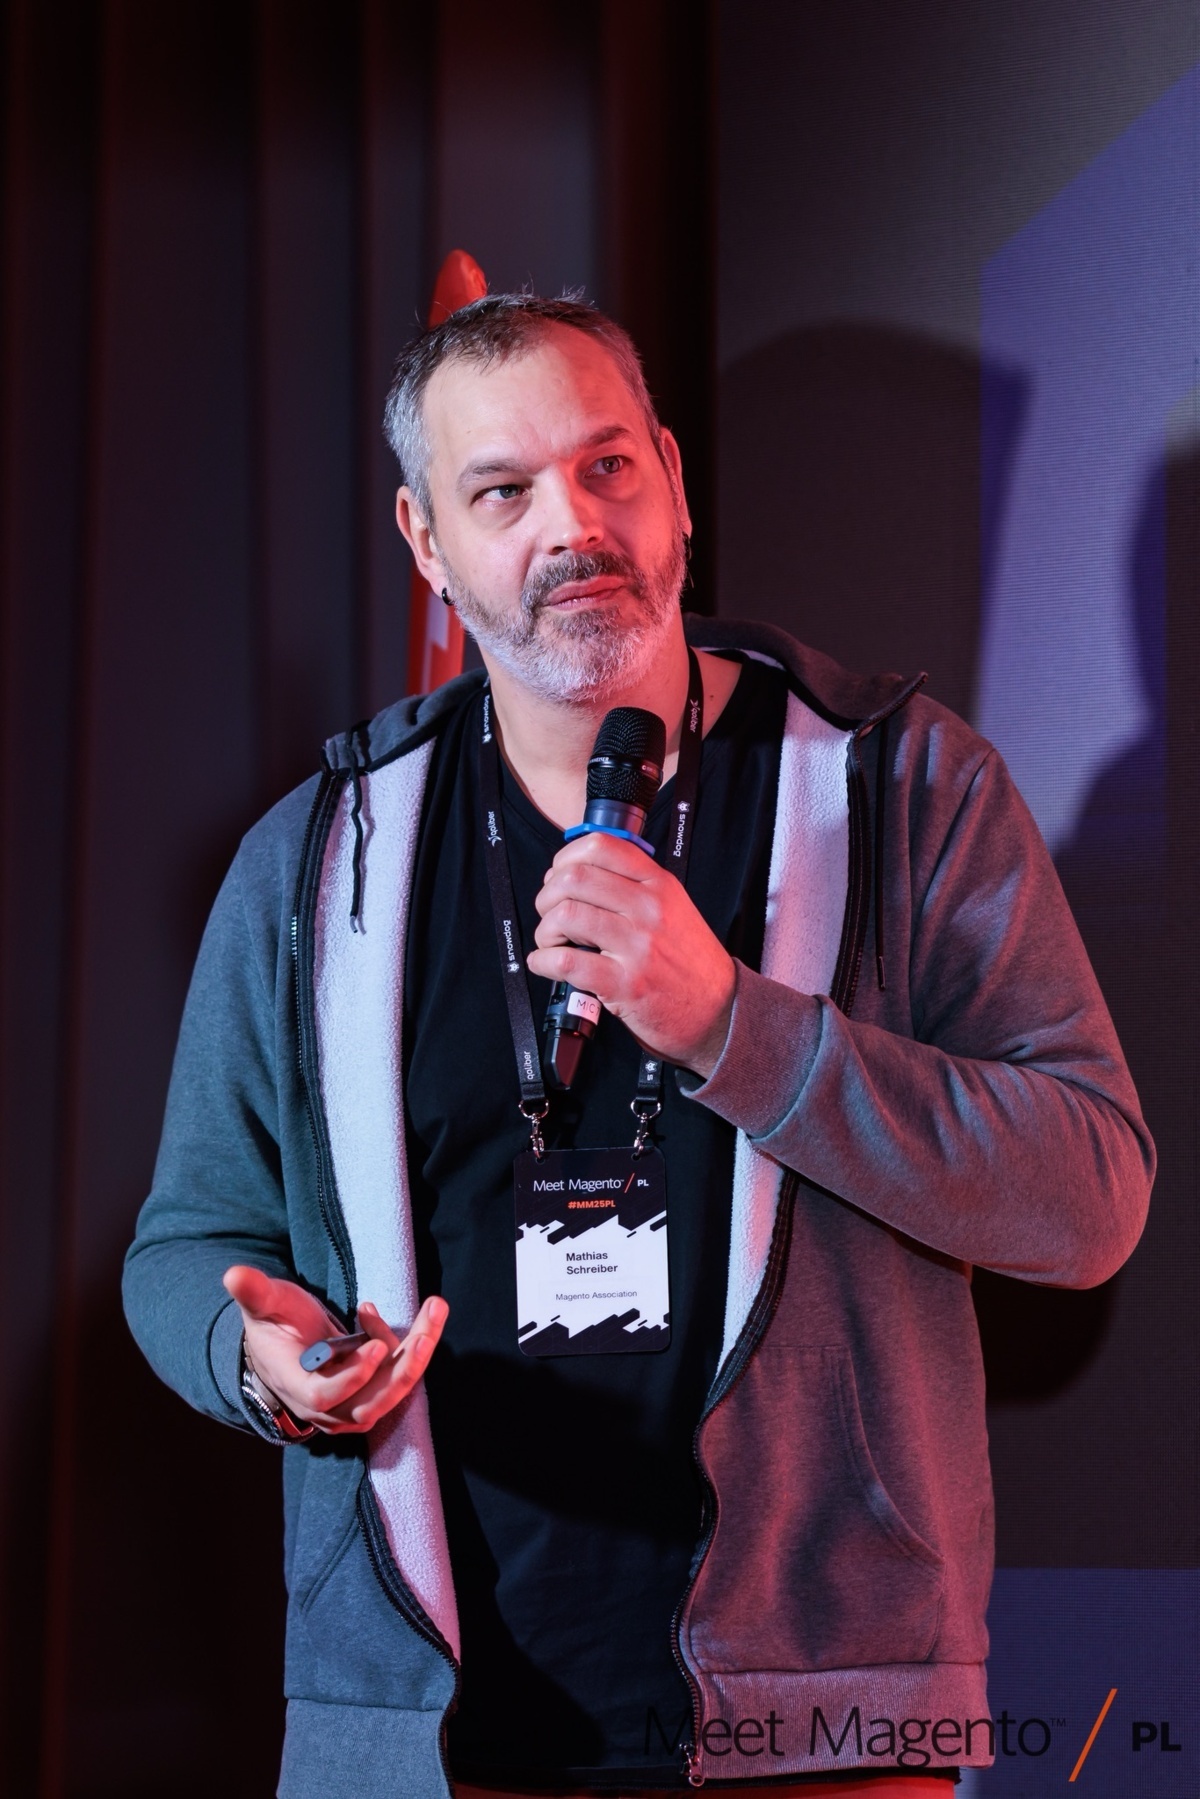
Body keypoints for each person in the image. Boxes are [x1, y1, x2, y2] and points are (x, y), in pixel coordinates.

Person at [124, 295, 1154, 1799]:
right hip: (422, 1736)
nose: (571, 525)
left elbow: (1089, 1195)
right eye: (502, 492)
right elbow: (183, 1245)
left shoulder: (904, 788)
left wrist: (736, 1027)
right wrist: (262, 1363)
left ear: (672, 478)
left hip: (829, 1720)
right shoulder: (319, 859)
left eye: (606, 466)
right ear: (427, 543)